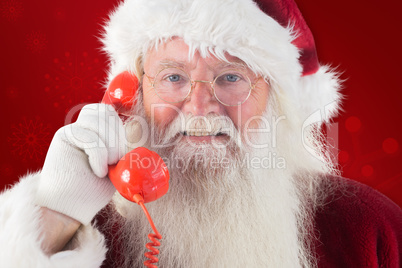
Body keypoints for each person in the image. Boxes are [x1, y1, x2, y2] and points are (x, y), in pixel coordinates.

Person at [0, 0, 401, 267]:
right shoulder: (85, 231)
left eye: (231, 77)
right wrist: (54, 216)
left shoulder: (369, 228)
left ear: (276, 100)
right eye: (173, 77)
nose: (198, 106)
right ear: (132, 93)